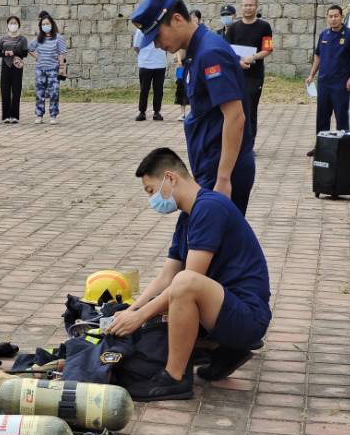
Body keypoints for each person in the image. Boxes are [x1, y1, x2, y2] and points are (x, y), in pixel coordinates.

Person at [107, 147, 270, 400]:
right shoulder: (187, 216)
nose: (152, 200)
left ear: (170, 178)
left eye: (151, 191)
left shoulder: (209, 208)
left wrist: (140, 317)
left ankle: (175, 378)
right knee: (165, 304)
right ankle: (221, 350)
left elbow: (186, 283)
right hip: (223, 310)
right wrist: (132, 309)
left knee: (183, 284)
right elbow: (166, 277)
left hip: (248, 316)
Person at [130, 0, 255, 214]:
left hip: (223, 170)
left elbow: (235, 116)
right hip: (210, 165)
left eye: (157, 36)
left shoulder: (210, 53)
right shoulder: (195, 52)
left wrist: (223, 178)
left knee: (209, 232)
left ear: (177, 19)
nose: (157, 45)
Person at [305, 4, 350, 155]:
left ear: (341, 17)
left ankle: (344, 149)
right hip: (324, 82)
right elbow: (318, 56)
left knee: (341, 116)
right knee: (322, 116)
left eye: (336, 16)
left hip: (340, 83)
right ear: (327, 18)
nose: (333, 19)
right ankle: (321, 147)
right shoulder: (324, 35)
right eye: (330, 16)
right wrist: (311, 75)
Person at [225, 0, 272, 144]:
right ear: (241, 7)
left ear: (256, 6)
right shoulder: (233, 28)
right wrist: (238, 62)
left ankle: (249, 143)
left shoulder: (264, 27)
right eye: (245, 5)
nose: (248, 8)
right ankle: (236, 142)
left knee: (250, 109)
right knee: (235, 109)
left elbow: (268, 49)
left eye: (251, 5)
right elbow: (227, 51)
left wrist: (253, 57)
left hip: (254, 76)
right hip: (235, 75)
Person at [28, 13, 67, 125]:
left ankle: (53, 115)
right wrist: (36, 57)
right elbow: (29, 48)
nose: (45, 26)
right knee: (39, 93)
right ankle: (39, 115)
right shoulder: (39, 38)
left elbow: (62, 53)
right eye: (43, 24)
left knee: (54, 93)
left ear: (52, 24)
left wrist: (61, 68)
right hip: (40, 69)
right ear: (41, 26)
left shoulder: (58, 38)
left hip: (53, 69)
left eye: (47, 24)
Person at [133, 24, 167, 121]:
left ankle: (157, 112)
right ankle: (142, 112)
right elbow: (136, 46)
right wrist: (145, 55)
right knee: (144, 89)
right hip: (145, 64)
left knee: (158, 90)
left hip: (160, 63)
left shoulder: (162, 28)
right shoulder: (141, 30)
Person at [0, 16, 28, 123]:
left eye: (15, 23)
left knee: (16, 90)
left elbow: (25, 53)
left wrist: (14, 53)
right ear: (8, 25)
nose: (13, 25)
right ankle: (6, 116)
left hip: (17, 66)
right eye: (11, 23)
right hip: (6, 65)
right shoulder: (3, 38)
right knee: (5, 90)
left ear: (18, 25)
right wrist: (5, 53)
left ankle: (14, 116)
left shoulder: (22, 39)